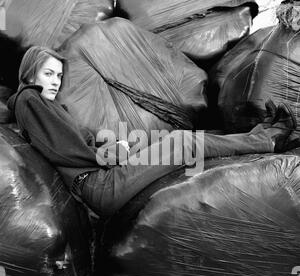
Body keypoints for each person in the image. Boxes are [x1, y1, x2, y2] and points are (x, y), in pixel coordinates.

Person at [7, 46, 297, 220]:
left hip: (102, 178)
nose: (56, 81)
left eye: (58, 75)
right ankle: (267, 139)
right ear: (30, 73)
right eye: (48, 74)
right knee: (183, 142)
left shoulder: (43, 103)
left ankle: (261, 132)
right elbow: (64, 148)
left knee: (173, 138)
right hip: (100, 185)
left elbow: (69, 141)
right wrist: (111, 154)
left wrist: (114, 146)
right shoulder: (30, 98)